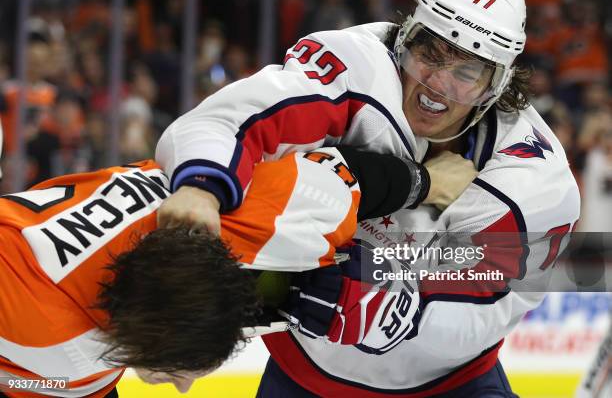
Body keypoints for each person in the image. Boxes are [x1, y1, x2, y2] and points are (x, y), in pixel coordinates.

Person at [154, 0, 580, 396]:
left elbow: (487, 300)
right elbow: (233, 119)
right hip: (301, 373)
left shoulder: (533, 178)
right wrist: (201, 189)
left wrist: (384, 307)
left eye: (467, 72)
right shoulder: (355, 67)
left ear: (497, 86)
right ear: (404, 38)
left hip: (449, 386)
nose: (438, 84)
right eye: (429, 53)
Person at [0, 144, 475, 397]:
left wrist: (427, 183)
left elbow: (340, 175)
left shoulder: (228, 216)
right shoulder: (57, 347)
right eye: (177, 370)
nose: (183, 387)